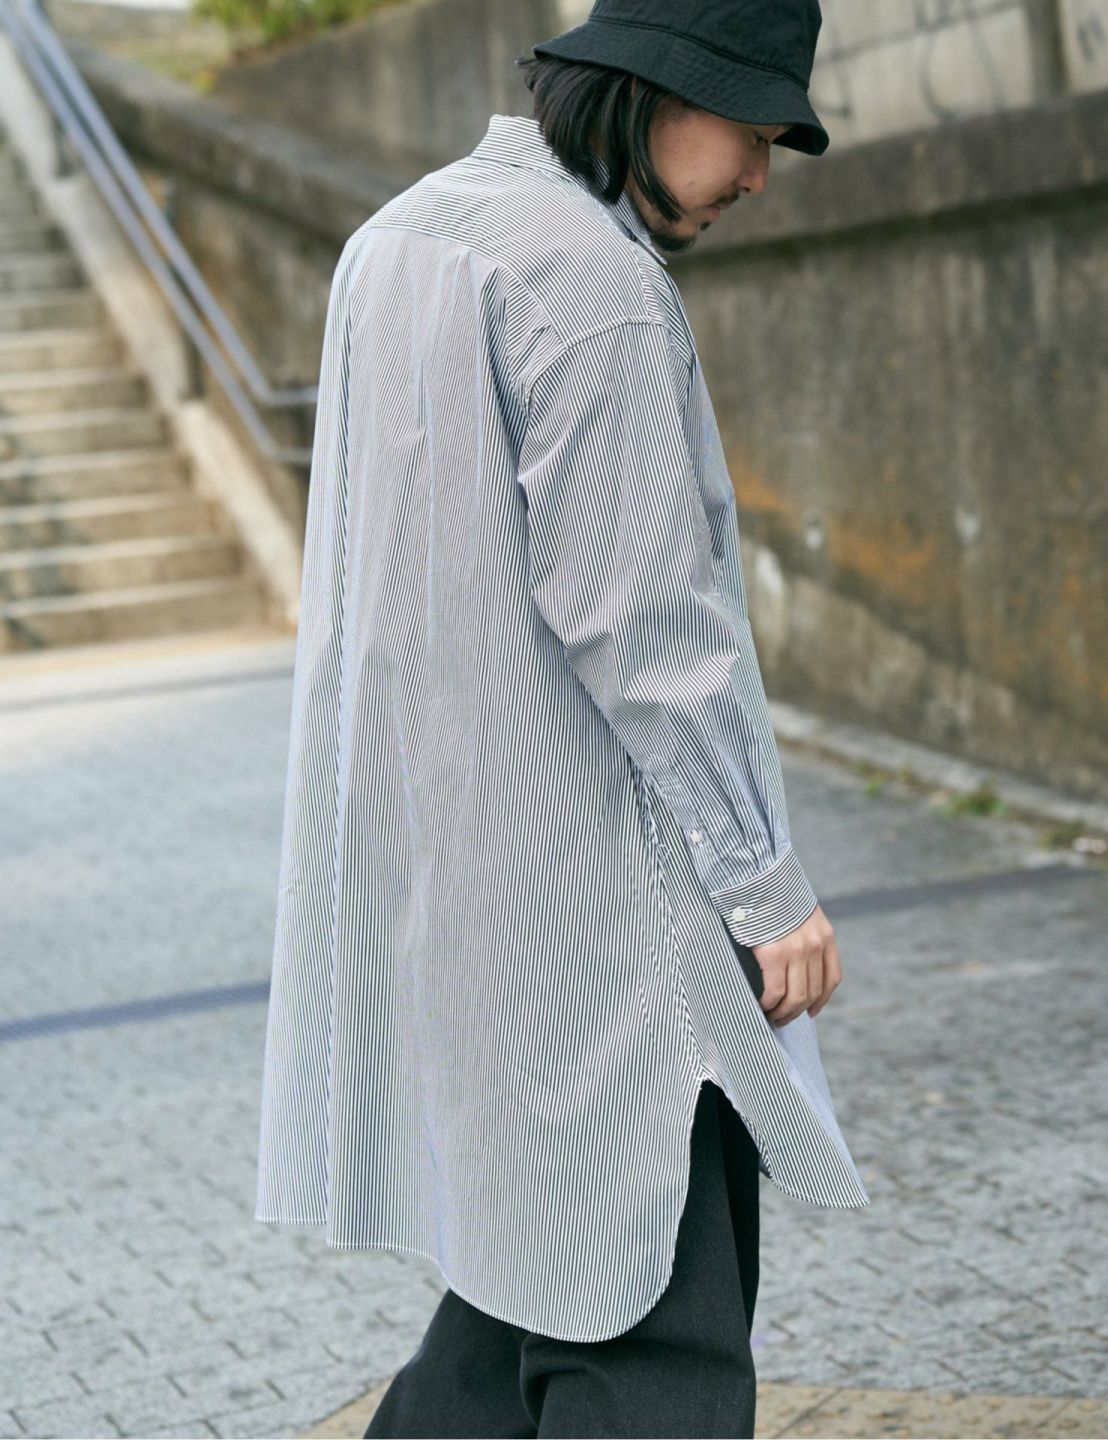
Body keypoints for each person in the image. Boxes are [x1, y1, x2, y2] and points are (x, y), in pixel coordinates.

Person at [253, 1, 871, 1435]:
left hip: (453, 888)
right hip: (604, 917)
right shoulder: (588, 277)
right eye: (752, 129)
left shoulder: (398, 238)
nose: (759, 173)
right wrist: (765, 884)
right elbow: (641, 618)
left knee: (528, 1285)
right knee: (656, 1341)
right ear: (655, 92)